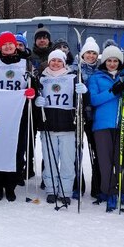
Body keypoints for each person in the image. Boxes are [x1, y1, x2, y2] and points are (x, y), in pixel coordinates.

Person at [87, 43, 124, 211]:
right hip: (103, 125)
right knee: (105, 160)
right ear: (104, 61)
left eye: (115, 61)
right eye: (109, 60)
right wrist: (113, 91)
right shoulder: (96, 77)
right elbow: (94, 100)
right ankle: (109, 192)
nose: (112, 63)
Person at [0, 32, 35, 201]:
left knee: (17, 150)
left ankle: (11, 185)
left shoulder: (25, 63)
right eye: (4, 44)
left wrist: (32, 91)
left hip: (19, 112)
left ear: (16, 46)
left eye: (11, 44)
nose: (8, 47)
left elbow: (34, 83)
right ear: (0, 47)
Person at [35, 49, 86, 205]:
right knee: (50, 160)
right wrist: (37, 102)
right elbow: (34, 100)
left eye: (59, 61)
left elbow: (83, 104)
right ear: (48, 62)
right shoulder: (41, 78)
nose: (56, 63)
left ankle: (66, 190)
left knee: (67, 161)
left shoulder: (73, 77)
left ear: (64, 63)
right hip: (48, 126)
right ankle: (51, 189)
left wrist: (84, 92)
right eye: (53, 60)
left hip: (68, 127)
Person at [76, 36, 101, 199]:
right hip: (78, 116)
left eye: (93, 53)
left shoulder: (101, 70)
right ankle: (77, 185)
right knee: (77, 151)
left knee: (96, 152)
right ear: (83, 54)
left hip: (95, 116)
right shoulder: (75, 69)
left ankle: (97, 187)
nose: (91, 56)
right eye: (88, 53)